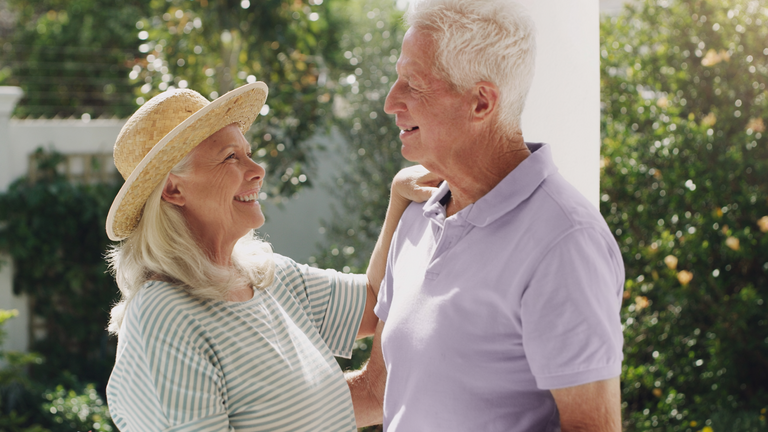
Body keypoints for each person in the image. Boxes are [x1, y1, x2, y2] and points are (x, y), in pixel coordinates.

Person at [347, 0, 625, 431]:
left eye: (412, 83)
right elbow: (377, 392)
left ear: (481, 102)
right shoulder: (418, 217)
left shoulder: (565, 242)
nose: (390, 102)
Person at [103, 82, 438, 431]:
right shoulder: (164, 315)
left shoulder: (267, 277)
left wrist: (400, 197)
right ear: (173, 189)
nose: (257, 170)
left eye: (248, 152)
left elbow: (374, 300)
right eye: (231, 157)